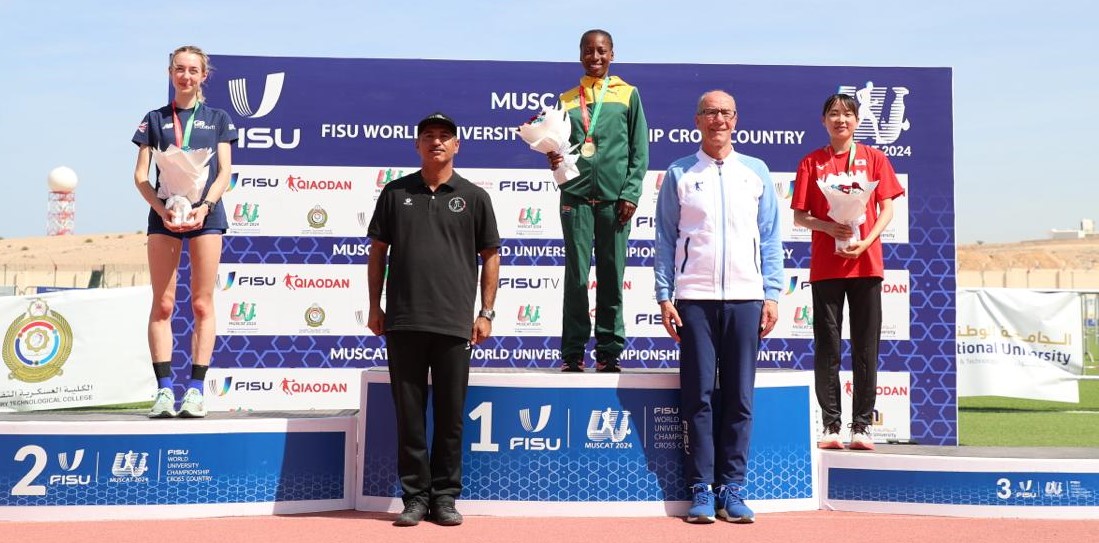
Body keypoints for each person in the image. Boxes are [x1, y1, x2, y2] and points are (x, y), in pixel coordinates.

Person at [654, 90, 782, 524]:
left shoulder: (756, 172)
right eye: (710, 112)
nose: (718, 120)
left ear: (736, 119)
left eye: (725, 112)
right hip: (694, 299)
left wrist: (772, 293)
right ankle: (700, 489)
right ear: (697, 120)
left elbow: (770, 238)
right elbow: (665, 239)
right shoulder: (679, 172)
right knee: (699, 397)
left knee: (740, 398)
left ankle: (733, 488)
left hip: (747, 297)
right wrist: (664, 295)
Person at [367, 112, 500, 527]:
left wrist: (486, 312)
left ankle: (444, 497)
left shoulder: (475, 197)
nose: (437, 142)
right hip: (404, 320)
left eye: (445, 136)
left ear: (457, 145)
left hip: (454, 323)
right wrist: (374, 306)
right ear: (417, 145)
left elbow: (491, 255)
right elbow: (378, 253)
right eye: (429, 136)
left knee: (450, 417)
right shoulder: (395, 193)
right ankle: (414, 498)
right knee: (409, 417)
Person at [790, 93, 905, 451]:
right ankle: (831, 426)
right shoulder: (812, 162)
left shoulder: (875, 158)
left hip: (866, 264)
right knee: (828, 347)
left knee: (865, 347)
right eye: (834, 114)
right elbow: (800, 216)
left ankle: (862, 426)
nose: (841, 120)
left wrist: (868, 239)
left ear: (857, 121)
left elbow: (887, 208)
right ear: (823, 120)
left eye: (847, 114)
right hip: (826, 266)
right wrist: (828, 227)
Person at [132, 45, 236, 419]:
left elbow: (225, 173)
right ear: (170, 73)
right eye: (179, 69)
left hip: (206, 214)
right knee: (163, 304)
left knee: (201, 304)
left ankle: (194, 391)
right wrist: (162, 210)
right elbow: (140, 177)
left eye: (193, 70)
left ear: (203, 75)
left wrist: (205, 206)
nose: (186, 76)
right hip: (165, 216)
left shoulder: (218, 118)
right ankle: (164, 391)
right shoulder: (154, 119)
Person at [548, 28, 649, 373]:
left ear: (612, 54)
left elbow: (639, 149)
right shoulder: (566, 99)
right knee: (577, 276)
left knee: (611, 274)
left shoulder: (628, 94)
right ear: (580, 54)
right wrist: (553, 156)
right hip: (575, 196)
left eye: (602, 50)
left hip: (614, 200)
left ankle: (608, 351)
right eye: (589, 50)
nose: (595, 57)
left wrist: (630, 192)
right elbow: (558, 144)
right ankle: (572, 352)